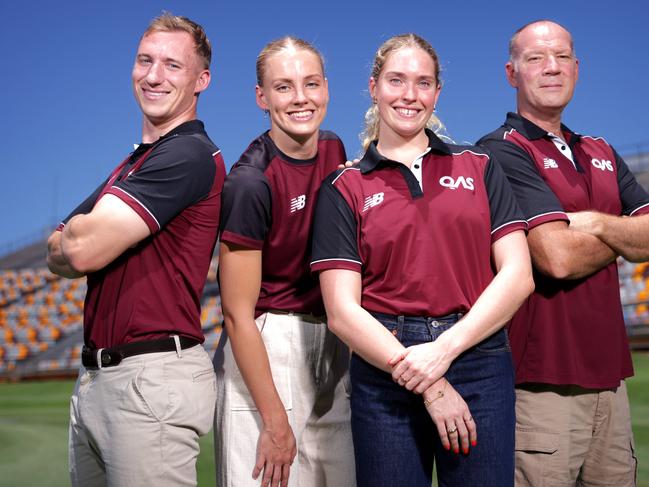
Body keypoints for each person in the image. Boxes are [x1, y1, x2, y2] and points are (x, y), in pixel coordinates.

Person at [311, 33, 534, 487]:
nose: (409, 95)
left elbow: (519, 275)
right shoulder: (344, 187)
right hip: (385, 363)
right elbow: (341, 312)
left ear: (437, 93)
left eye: (423, 82)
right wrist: (429, 381)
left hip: (478, 356)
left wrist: (445, 350)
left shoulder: (480, 166)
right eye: (396, 80)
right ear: (374, 87)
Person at [46, 13, 225, 487]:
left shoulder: (187, 154)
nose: (153, 76)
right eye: (145, 60)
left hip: (149, 380)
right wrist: (80, 238)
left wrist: (80, 236)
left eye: (172, 65)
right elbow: (55, 252)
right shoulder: (132, 163)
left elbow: (78, 252)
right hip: (100, 380)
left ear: (200, 80)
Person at [478, 20, 649, 486]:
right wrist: (623, 235)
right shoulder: (499, 152)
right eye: (535, 58)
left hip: (610, 383)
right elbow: (557, 257)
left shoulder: (601, 151)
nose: (551, 68)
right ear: (512, 73)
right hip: (540, 387)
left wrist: (593, 223)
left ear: (577, 68)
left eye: (561, 57)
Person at [213, 37, 355, 487]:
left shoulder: (334, 148)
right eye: (283, 87)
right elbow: (237, 315)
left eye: (310, 84)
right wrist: (274, 422)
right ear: (262, 97)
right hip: (269, 341)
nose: (300, 98)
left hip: (333, 335)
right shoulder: (250, 183)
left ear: (327, 89)